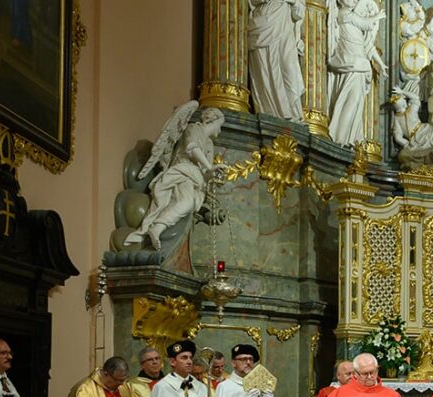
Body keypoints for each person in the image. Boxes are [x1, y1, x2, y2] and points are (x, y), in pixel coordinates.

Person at [124, 104, 226, 250]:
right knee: (186, 202)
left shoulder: (209, 144)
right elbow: (192, 149)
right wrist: (209, 167)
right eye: (219, 125)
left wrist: (214, 175)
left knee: (188, 204)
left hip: (196, 180)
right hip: (182, 172)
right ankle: (157, 227)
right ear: (212, 120)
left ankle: (158, 229)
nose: (220, 130)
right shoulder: (193, 128)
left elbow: (205, 171)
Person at [327, 0, 387, 147]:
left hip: (358, 61)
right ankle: (340, 137)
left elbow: (368, 46)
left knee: (356, 102)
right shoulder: (344, 13)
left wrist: (381, 64)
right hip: (352, 64)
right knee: (352, 101)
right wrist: (377, 16)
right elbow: (365, 24)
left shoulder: (351, 17)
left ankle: (347, 137)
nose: (354, 0)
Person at [247, 0, 306, 122]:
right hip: (264, 20)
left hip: (284, 23)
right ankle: (271, 112)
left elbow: (300, 11)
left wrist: (294, 2)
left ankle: (293, 113)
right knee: (265, 67)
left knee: (289, 69)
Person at [215, 344, 279, 397]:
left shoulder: (261, 385)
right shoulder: (225, 387)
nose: (248, 362)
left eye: (251, 359)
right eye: (243, 359)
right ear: (233, 363)